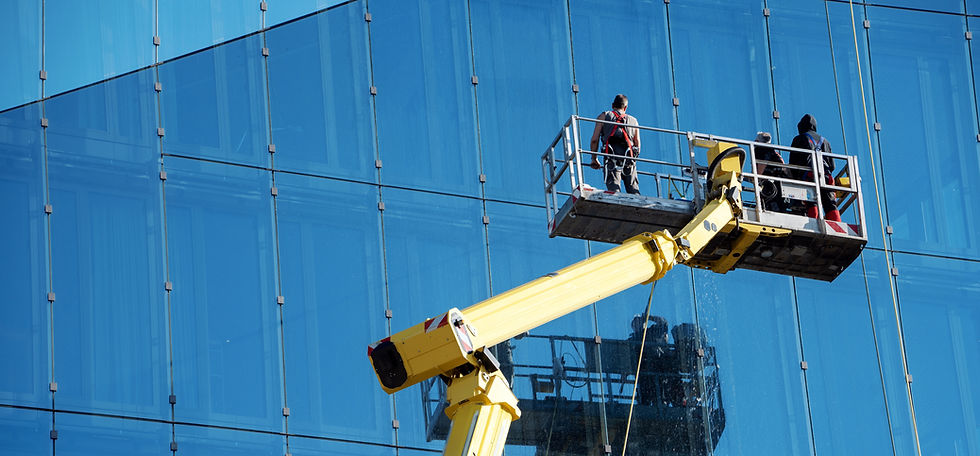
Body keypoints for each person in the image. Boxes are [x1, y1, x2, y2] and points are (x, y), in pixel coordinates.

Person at [789, 114, 841, 222]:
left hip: (807, 176)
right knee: (830, 202)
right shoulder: (825, 141)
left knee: (811, 200)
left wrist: (795, 178)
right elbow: (832, 165)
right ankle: (837, 224)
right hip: (826, 177)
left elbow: (793, 163)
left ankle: (814, 223)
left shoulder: (799, 139)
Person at [589, 94, 641, 194]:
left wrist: (594, 158)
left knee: (614, 191)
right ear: (625, 107)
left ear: (613, 105)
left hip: (611, 158)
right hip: (629, 160)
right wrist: (633, 160)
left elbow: (594, 140)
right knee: (634, 191)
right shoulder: (634, 121)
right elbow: (637, 144)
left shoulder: (603, 116)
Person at [753, 131, 790, 212]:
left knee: (770, 207)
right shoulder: (775, 153)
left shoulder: (760, 150)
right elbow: (784, 168)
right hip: (781, 185)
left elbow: (760, 170)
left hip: (770, 186)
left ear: (757, 141)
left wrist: (754, 178)